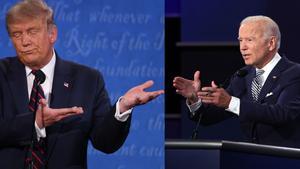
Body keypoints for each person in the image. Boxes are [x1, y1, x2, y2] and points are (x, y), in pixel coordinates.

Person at [0, 0, 164, 169]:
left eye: (32, 31)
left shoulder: (88, 80)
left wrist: (122, 107)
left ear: (52, 34)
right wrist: (35, 122)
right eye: (16, 34)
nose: (24, 41)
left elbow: (105, 143)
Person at [173, 15, 300, 148]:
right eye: (240, 40)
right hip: (251, 159)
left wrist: (230, 102)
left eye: (250, 40)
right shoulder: (243, 76)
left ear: (271, 43)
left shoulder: (294, 73)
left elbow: (282, 114)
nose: (242, 47)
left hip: (286, 160)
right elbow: (208, 117)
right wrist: (194, 100)